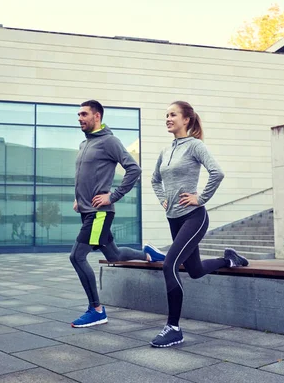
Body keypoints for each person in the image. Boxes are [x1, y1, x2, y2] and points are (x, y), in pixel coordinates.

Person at [147, 100, 249, 348]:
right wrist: (163, 200)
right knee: (194, 270)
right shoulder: (166, 150)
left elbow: (217, 173)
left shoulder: (195, 146)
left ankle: (173, 328)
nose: (168, 118)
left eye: (173, 114)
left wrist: (200, 198)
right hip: (174, 218)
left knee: (169, 264)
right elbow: (154, 179)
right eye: (166, 115)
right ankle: (230, 260)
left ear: (186, 120)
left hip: (194, 217)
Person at [70, 100, 166, 328]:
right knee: (112, 254)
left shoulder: (109, 141)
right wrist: (78, 198)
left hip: (99, 213)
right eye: (78, 115)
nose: (79, 118)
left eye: (84, 114)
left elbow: (134, 169)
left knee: (77, 256)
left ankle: (96, 309)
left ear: (97, 116)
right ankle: (148, 254)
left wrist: (112, 196)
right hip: (87, 211)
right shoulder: (85, 144)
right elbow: (87, 176)